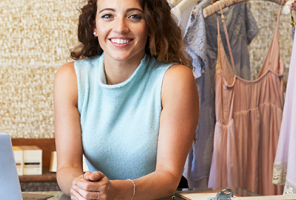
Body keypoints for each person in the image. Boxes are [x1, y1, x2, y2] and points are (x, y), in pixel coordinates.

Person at [53, 0, 198, 199]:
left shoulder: (175, 79)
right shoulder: (69, 78)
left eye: (134, 16)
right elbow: (67, 167)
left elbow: (169, 175)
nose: (120, 28)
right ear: (94, 26)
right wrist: (80, 186)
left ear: (150, 25)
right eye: (107, 16)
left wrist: (114, 191)